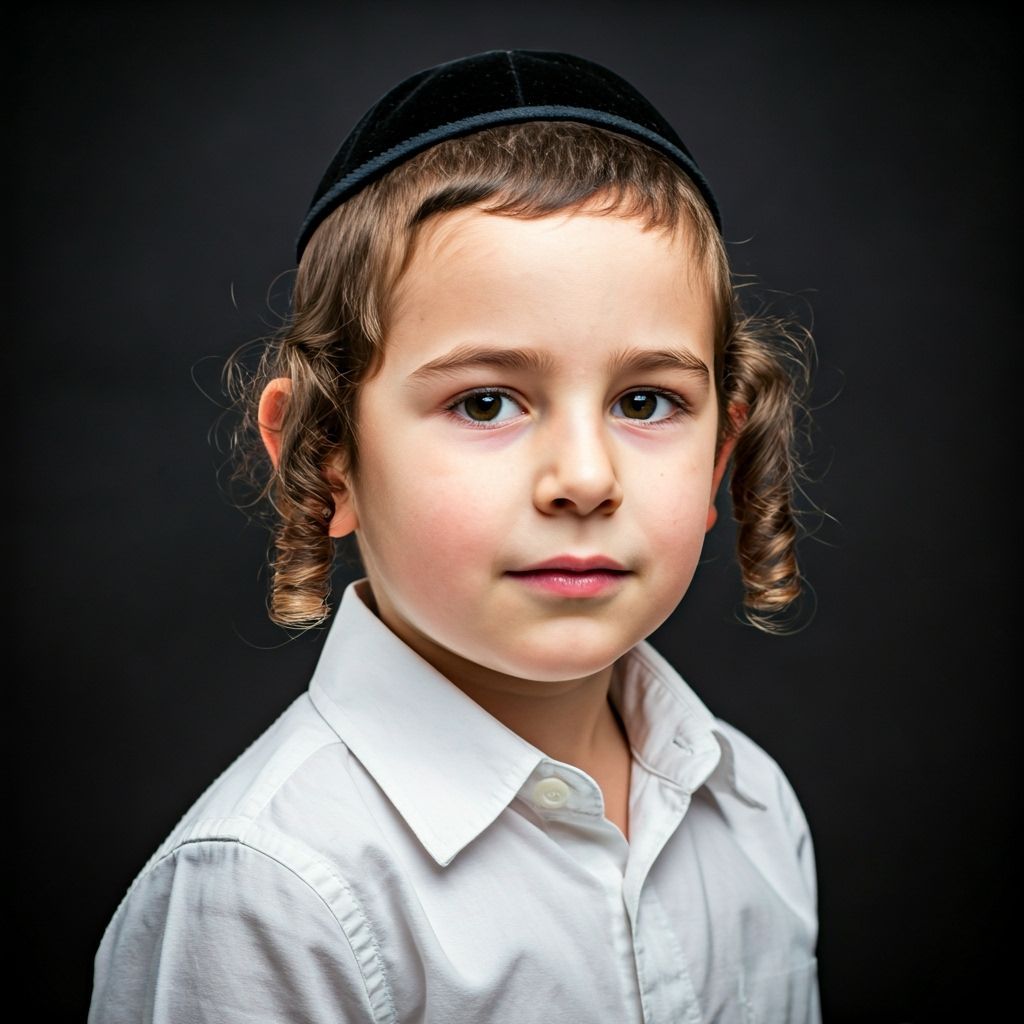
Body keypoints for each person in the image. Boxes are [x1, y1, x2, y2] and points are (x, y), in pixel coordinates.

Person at [89, 49, 820, 1023]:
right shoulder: (269, 895)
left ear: (720, 451)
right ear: (326, 455)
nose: (584, 478)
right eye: (485, 402)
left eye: (645, 400)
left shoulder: (756, 809)